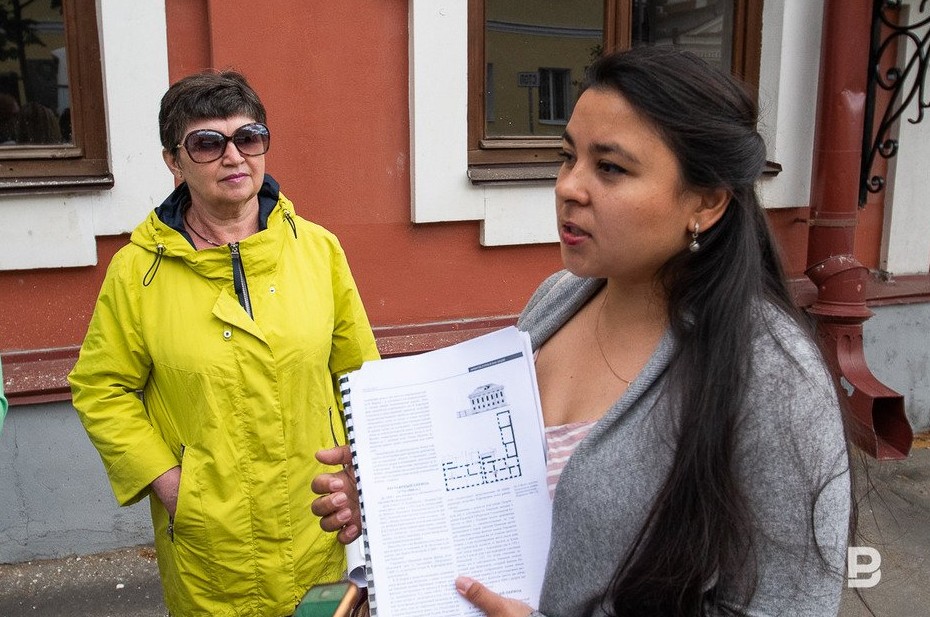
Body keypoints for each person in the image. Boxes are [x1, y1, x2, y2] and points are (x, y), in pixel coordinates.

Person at [313, 46, 852, 616]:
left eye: (610, 168)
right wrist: (396, 502)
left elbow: (790, 605)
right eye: (568, 157)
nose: (569, 187)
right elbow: (510, 503)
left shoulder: (771, 373)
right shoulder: (557, 299)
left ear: (707, 201)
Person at [69, 70, 379, 617]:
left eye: (249, 137)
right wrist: (174, 489)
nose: (234, 157)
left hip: (317, 524)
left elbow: (361, 378)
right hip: (212, 546)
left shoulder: (318, 251)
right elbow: (101, 389)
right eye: (208, 143)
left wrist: (365, 478)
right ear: (174, 161)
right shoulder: (138, 272)